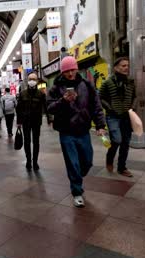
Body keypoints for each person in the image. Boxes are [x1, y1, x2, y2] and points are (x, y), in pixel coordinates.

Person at [47, 56, 106, 207]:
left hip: (83, 129)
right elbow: (49, 108)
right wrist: (63, 101)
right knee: (72, 163)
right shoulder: (56, 87)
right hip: (66, 132)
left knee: (87, 161)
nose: (70, 73)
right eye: (67, 71)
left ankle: (79, 176)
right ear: (62, 72)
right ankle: (77, 192)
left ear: (77, 69)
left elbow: (96, 105)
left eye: (72, 69)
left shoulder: (86, 84)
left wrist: (100, 125)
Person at [99, 57, 136, 177]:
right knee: (117, 140)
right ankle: (109, 159)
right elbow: (100, 98)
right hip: (113, 116)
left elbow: (134, 96)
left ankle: (122, 167)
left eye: (127, 65)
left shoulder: (130, 81)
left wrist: (132, 107)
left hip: (126, 115)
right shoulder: (107, 82)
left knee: (125, 142)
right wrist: (109, 108)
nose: (126, 68)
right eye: (123, 65)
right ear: (116, 68)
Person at [16, 72, 49, 170]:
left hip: (36, 121)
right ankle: (28, 161)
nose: (32, 81)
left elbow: (46, 106)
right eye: (30, 79)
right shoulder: (22, 94)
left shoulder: (41, 94)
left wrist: (49, 119)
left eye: (34, 79)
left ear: (37, 81)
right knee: (27, 142)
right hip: (26, 121)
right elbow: (19, 109)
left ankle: (35, 162)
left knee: (36, 142)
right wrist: (19, 122)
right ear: (27, 81)